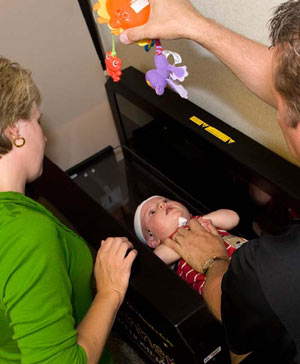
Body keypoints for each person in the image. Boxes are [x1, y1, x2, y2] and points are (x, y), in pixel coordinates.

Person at [120, 0, 300, 363]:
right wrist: (195, 25)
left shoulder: (278, 269)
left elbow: (230, 302)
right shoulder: (167, 246)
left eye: (280, 104)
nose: (163, 205)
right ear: (152, 236)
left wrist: (211, 259)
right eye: (153, 211)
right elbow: (281, 83)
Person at [0, 57, 137, 364]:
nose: (44, 135)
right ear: (13, 131)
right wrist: (110, 291)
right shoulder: (24, 234)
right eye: (37, 121)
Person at [134, 195, 246, 294]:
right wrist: (188, 232)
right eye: (152, 212)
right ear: (153, 241)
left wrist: (203, 221)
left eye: (166, 201)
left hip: (251, 258)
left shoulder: (203, 222)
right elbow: (157, 259)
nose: (162, 204)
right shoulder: (165, 251)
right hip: (227, 290)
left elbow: (234, 217)